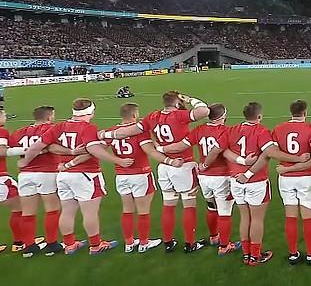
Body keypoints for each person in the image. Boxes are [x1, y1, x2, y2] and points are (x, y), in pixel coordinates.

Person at [100, 90, 210, 253]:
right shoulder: (180, 115)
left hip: (164, 166)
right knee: (188, 204)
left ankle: (167, 242)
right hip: (182, 164)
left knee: (168, 205)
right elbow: (205, 111)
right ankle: (190, 243)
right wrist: (191, 99)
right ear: (177, 102)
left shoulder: (152, 117)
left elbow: (129, 131)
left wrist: (107, 134)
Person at [20, 99, 126, 255]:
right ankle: (96, 245)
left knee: (67, 211)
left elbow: (38, 145)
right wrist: (117, 160)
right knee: (89, 212)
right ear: (91, 112)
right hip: (86, 174)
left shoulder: (60, 126)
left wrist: (25, 161)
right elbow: (94, 150)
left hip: (63, 174)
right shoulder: (88, 128)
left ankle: (69, 244)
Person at [224, 102, 311, 265]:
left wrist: (241, 161)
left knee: (244, 217)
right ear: (259, 117)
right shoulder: (261, 131)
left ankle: (245, 254)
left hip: (236, 179)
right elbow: (270, 153)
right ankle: (255, 256)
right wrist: (298, 159)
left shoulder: (232, 129)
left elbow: (223, 150)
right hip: (255, 181)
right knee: (256, 219)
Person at [104, 103, 162, 253]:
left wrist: (116, 160)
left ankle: (129, 243)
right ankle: (143, 243)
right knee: (143, 211)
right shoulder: (139, 131)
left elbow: (98, 148)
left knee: (127, 210)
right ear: (135, 115)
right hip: (140, 174)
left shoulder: (113, 131)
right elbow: (150, 149)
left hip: (121, 175)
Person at [271, 100, 311, 265]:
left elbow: (274, 152)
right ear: (305, 112)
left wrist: (287, 169)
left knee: (290, 217)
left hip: (286, 180)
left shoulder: (278, 129)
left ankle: (293, 254)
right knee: (308, 217)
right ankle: (310, 254)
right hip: (306, 178)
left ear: (291, 112)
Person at [180, 103, 237, 256]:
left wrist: (162, 149)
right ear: (223, 117)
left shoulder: (199, 130)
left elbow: (183, 144)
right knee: (225, 211)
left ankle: (213, 237)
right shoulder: (227, 131)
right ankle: (224, 246)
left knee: (211, 207)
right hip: (221, 176)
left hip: (204, 177)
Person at [8, 106, 55, 257]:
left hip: (25, 175)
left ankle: (29, 247)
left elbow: (12, 149)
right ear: (49, 117)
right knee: (52, 209)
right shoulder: (51, 129)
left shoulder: (19, 132)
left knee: (27, 212)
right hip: (46, 172)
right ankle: (51, 245)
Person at [0, 110, 26, 254]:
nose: (5, 117)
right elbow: (1, 151)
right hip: (1, 178)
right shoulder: (1, 131)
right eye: (3, 115)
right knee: (19, 206)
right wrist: (26, 150)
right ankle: (19, 242)